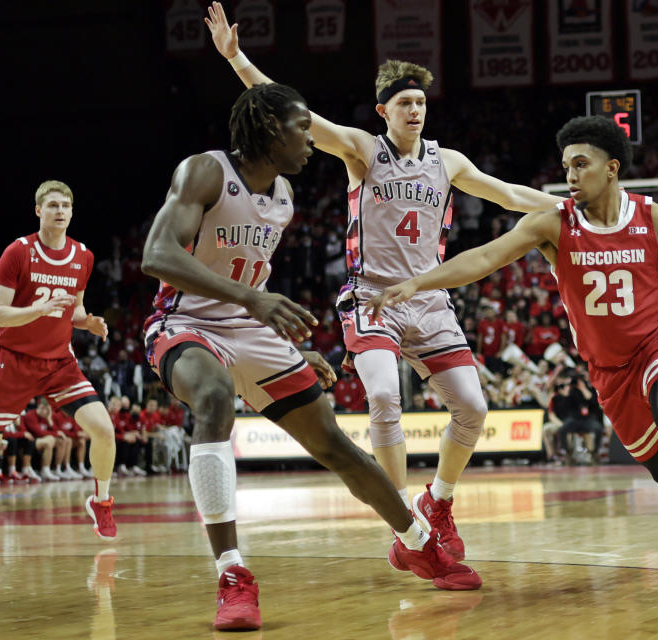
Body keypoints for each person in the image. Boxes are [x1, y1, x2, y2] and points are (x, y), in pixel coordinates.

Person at [367, 115, 658, 588]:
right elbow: (485, 257)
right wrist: (418, 282)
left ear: (612, 168)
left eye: (581, 164)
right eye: (566, 165)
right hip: (607, 367)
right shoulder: (552, 224)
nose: (570, 175)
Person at [206, 2, 563, 561]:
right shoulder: (362, 150)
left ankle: (439, 500)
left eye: (422, 101)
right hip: (371, 296)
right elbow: (295, 111)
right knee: (381, 393)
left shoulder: (448, 162)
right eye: (405, 103)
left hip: (429, 300)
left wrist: (577, 211)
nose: (416, 109)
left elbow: (513, 196)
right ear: (384, 111)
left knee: (472, 408)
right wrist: (237, 60)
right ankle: (405, 518)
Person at [140, 84, 481, 631]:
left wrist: (290, 348)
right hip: (185, 323)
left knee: (335, 445)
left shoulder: (282, 196)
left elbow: (247, 276)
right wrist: (252, 300)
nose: (310, 141)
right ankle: (233, 574)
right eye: (302, 129)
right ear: (272, 129)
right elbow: (157, 256)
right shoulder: (205, 171)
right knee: (213, 395)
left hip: (251, 329)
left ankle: (416, 542)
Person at [0, 180, 117, 552]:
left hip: (58, 361)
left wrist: (86, 321)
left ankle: (102, 502)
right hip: (11, 361)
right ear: (38, 211)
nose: (60, 211)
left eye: (66, 205)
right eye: (52, 205)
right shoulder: (18, 252)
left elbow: (73, 307)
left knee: (104, 429)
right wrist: (36, 310)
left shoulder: (84, 255)